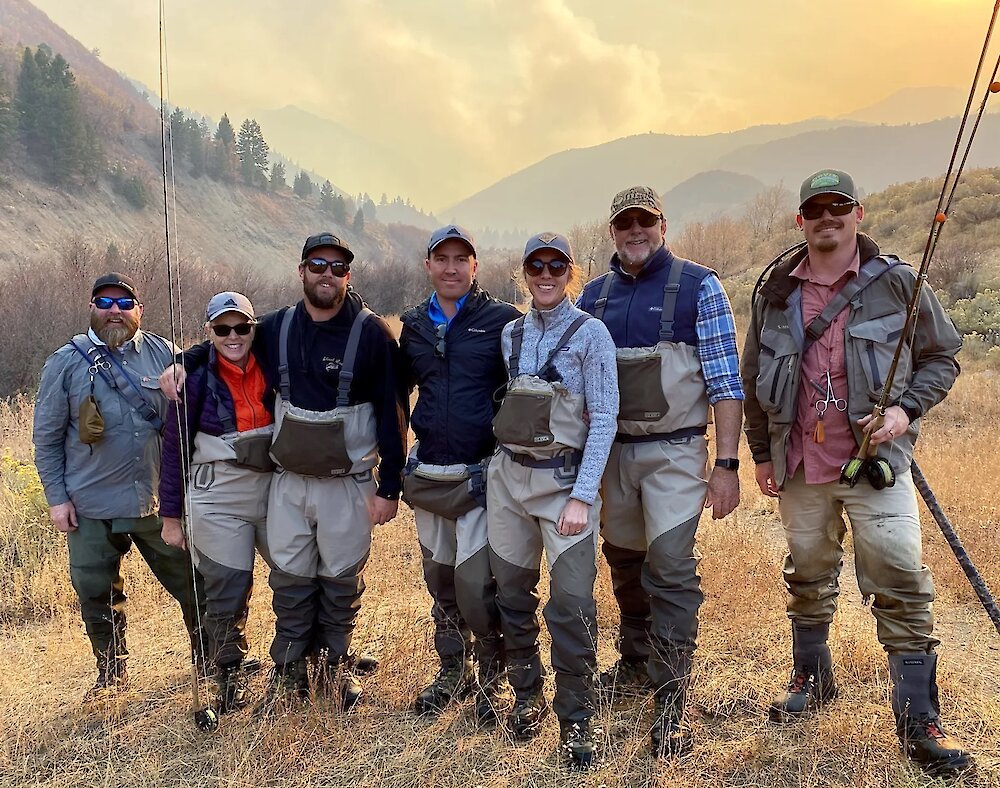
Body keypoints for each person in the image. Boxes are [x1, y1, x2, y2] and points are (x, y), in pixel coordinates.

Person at [741, 169, 974, 777]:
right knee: (809, 570)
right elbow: (750, 380)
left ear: (859, 214)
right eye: (815, 209)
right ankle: (812, 678)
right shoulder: (774, 293)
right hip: (799, 462)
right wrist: (761, 454)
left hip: (876, 465)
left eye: (837, 207)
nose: (827, 218)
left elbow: (943, 356)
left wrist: (904, 409)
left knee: (898, 572)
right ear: (800, 220)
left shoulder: (898, 284)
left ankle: (918, 719)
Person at [162, 233, 407, 716]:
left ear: (348, 276)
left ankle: (333, 671)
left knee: (340, 582)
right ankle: (290, 672)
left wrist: (391, 487)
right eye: (318, 265)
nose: (327, 274)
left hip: (348, 482)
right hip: (289, 483)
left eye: (338, 267)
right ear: (301, 271)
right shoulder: (276, 327)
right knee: (291, 581)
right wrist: (181, 364)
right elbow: (227, 344)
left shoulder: (373, 333)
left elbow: (393, 410)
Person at [577, 186, 744, 757]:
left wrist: (725, 464)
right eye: (625, 224)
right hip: (611, 453)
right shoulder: (591, 298)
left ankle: (671, 699)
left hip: (675, 452)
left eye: (645, 222)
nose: (636, 232)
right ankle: (634, 661)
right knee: (624, 559)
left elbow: (725, 383)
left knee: (670, 565)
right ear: (612, 232)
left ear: (663, 226)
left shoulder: (702, 286)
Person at [32, 272, 206, 702]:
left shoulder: (167, 353)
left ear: (139, 310)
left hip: (156, 503)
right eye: (105, 303)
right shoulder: (65, 362)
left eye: (124, 303)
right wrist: (57, 499)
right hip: (89, 505)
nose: (115, 311)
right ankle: (111, 674)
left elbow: (198, 411)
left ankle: (212, 662)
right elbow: (47, 437)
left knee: (196, 583)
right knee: (95, 593)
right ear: (91, 307)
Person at [488, 232, 618, 769]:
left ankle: (576, 717)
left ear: (570, 272)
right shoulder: (510, 334)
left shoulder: (594, 335)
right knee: (512, 595)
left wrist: (583, 496)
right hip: (508, 482)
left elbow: (605, 417)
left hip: (564, 487)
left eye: (556, 266)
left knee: (570, 606)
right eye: (536, 266)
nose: (546, 275)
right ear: (524, 272)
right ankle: (526, 694)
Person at [399, 225, 520, 723]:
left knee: (478, 585)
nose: (451, 268)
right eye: (441, 258)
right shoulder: (411, 326)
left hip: (482, 476)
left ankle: (495, 678)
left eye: (461, 259)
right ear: (428, 266)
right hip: (430, 473)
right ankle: (454, 671)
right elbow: (391, 393)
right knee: (440, 580)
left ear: (476, 266)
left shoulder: (503, 322)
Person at [159, 292, 274, 715]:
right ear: (209, 332)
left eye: (241, 327)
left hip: (274, 488)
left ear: (253, 328)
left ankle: (307, 662)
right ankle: (227, 672)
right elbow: (174, 450)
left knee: (297, 577)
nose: (233, 336)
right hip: (216, 494)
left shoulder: (273, 360)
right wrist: (171, 518)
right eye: (222, 328)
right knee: (227, 587)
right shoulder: (196, 379)